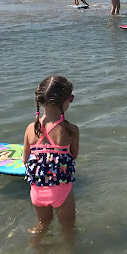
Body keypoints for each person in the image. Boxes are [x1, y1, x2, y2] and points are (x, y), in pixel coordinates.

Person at [22, 76, 79, 236]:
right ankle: (69, 250)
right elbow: (73, 156)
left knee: (42, 225)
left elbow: (24, 159)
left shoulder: (30, 129)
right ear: (64, 101)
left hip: (37, 191)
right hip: (61, 190)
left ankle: (35, 248)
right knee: (68, 227)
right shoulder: (71, 130)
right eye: (71, 98)